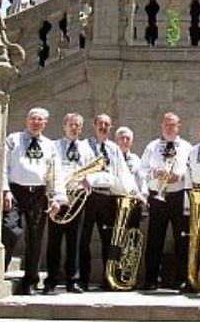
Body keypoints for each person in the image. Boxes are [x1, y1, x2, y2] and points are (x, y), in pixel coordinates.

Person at [2, 107, 61, 295]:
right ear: (27, 120)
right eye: (33, 118)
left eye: (40, 120)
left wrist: (56, 199)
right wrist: (5, 190)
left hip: (39, 193)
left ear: (45, 123)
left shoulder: (50, 145)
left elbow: (56, 173)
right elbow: (3, 165)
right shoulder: (13, 139)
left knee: (36, 237)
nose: (36, 122)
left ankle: (31, 281)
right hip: (16, 191)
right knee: (10, 229)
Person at [78, 113, 139, 291]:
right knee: (84, 240)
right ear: (94, 125)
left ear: (110, 127)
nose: (103, 126)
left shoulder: (113, 148)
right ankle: (82, 280)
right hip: (88, 196)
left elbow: (123, 174)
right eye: (100, 123)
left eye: (107, 124)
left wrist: (135, 193)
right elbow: (79, 168)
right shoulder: (83, 146)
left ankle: (108, 279)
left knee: (109, 240)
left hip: (107, 198)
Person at [139, 112, 192, 291]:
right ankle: (151, 279)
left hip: (179, 196)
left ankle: (182, 279)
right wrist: (154, 174)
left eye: (173, 124)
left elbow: (192, 170)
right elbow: (141, 170)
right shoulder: (152, 146)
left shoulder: (186, 147)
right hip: (158, 196)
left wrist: (180, 176)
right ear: (161, 125)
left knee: (182, 239)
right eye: (167, 124)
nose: (170, 127)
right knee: (155, 239)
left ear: (179, 126)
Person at [43, 112, 95, 294]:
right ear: (64, 126)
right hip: (58, 197)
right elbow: (49, 169)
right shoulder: (53, 146)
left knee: (76, 241)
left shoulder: (86, 148)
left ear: (81, 128)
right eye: (71, 124)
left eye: (77, 125)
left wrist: (88, 179)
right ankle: (51, 280)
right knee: (54, 241)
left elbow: (91, 168)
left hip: (78, 198)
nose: (74, 128)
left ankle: (73, 280)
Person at [115, 126, 145, 230]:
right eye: (122, 138)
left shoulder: (136, 159)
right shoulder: (111, 158)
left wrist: (143, 196)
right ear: (116, 141)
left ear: (131, 142)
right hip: (115, 202)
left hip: (133, 202)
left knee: (132, 235)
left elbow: (142, 180)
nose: (125, 141)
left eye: (128, 139)